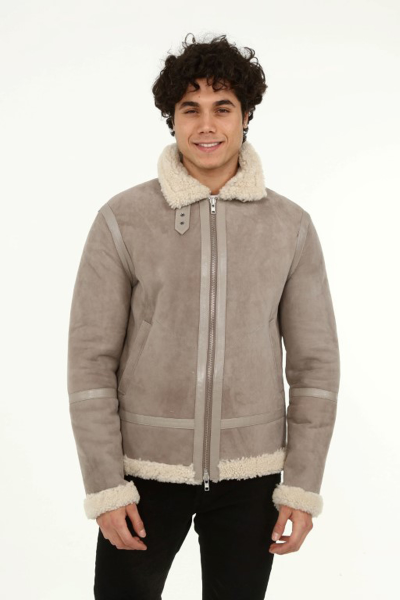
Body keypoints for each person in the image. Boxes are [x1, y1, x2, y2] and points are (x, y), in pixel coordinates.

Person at [67, 32, 340, 599]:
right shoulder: (123, 219)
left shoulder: (289, 226)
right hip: (143, 475)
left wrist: (301, 485)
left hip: (252, 477)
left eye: (223, 107)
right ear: (172, 119)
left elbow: (314, 365)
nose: (207, 124)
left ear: (246, 116)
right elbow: (91, 361)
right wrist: (106, 486)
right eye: (190, 108)